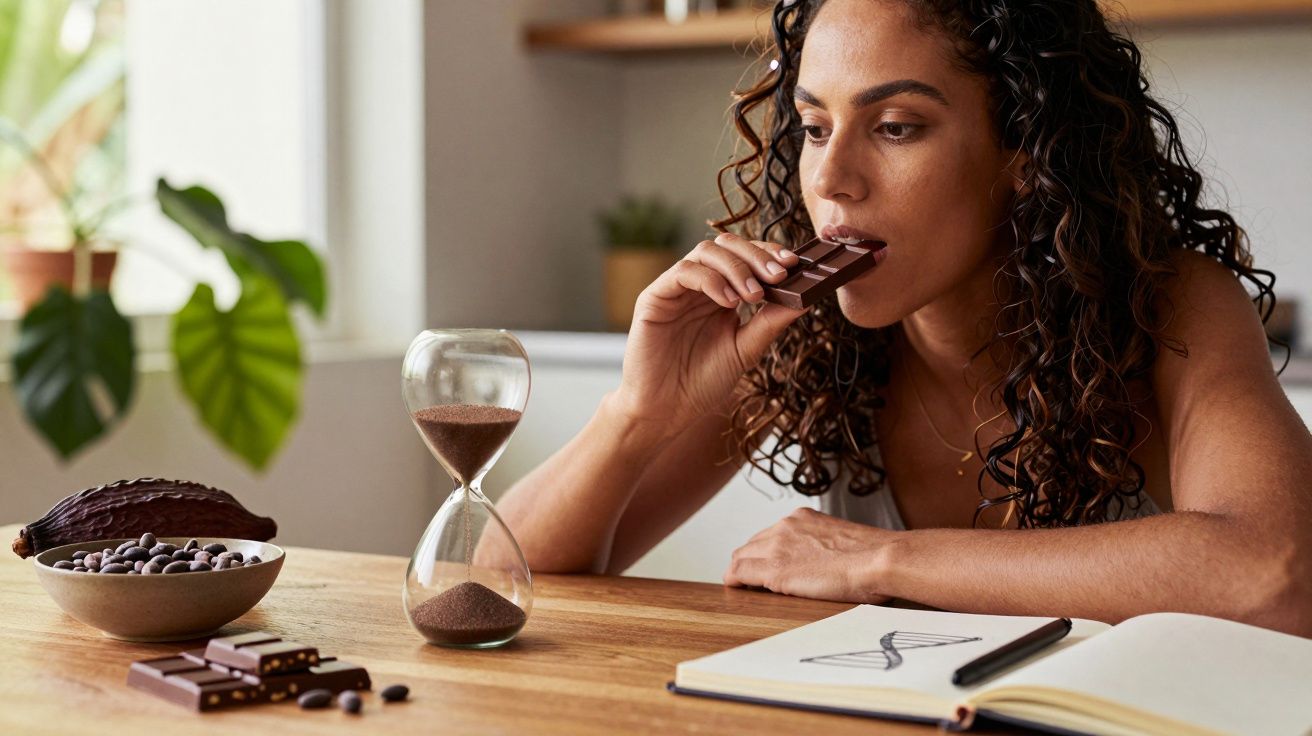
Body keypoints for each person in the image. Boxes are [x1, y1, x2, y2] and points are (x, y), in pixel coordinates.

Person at [496, 0, 1312, 636]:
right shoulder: (800, 334)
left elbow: (1275, 575)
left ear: (1026, 151)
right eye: (815, 128)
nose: (834, 180)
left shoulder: (1169, 305)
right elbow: (489, 581)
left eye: (896, 128)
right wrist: (638, 413)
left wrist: (882, 560)